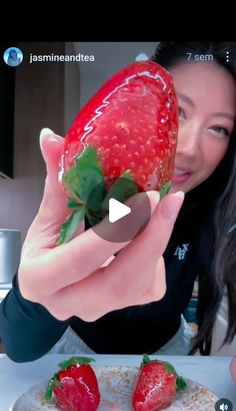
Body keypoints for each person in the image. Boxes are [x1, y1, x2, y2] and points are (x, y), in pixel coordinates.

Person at [0, 42, 236, 362]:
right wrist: (36, 300)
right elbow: (17, 346)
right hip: (76, 356)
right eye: (177, 110)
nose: (190, 148)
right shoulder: (95, 195)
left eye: (219, 128)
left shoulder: (216, 211)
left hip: (169, 356)